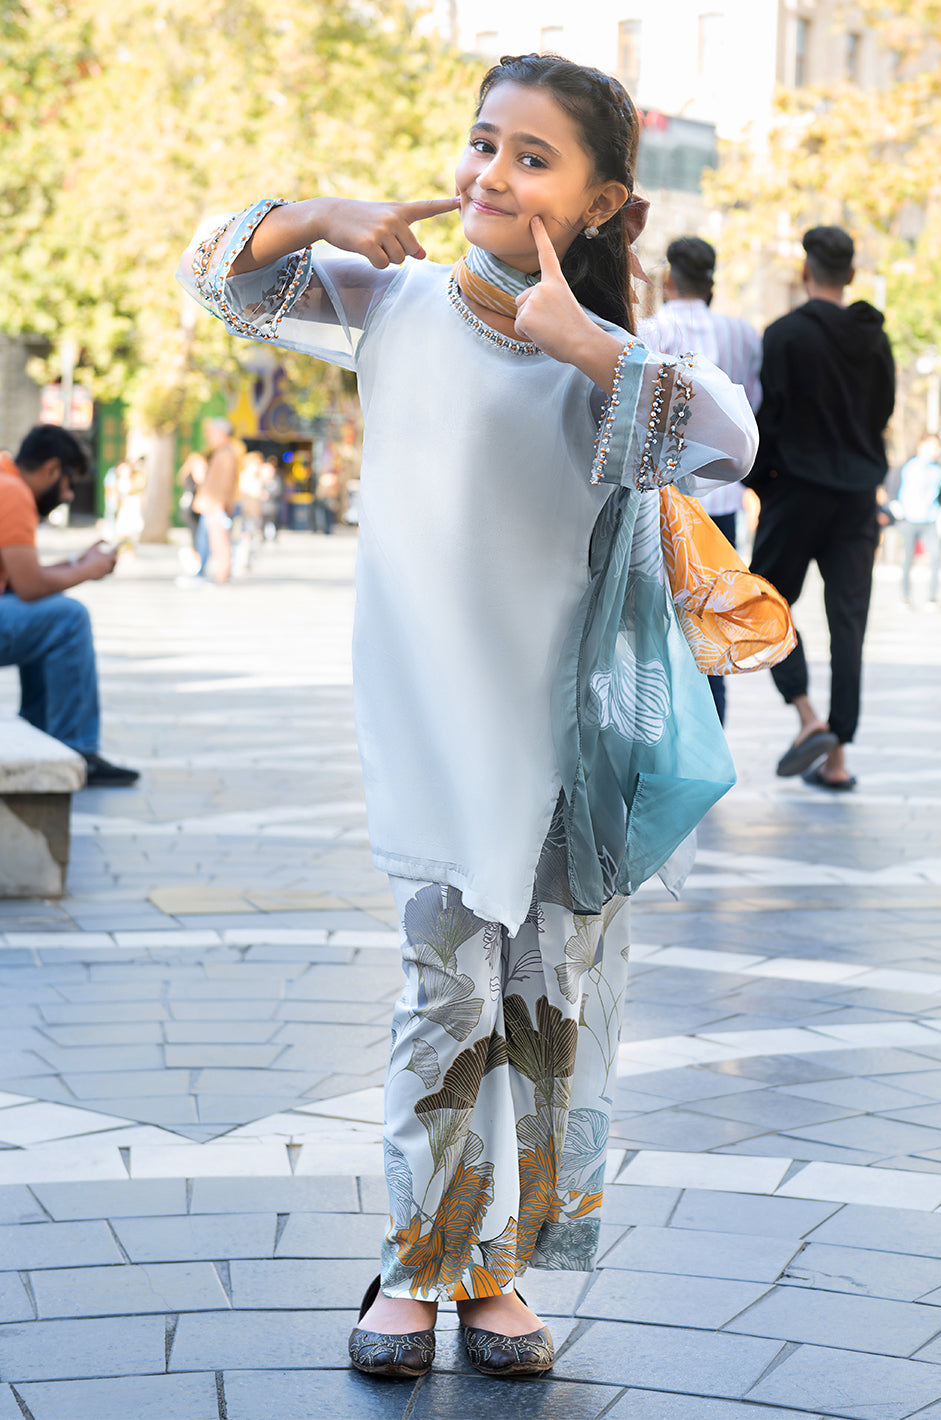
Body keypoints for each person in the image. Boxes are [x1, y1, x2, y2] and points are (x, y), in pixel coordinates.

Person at [180, 52, 755, 1381]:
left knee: (550, 1008)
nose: (491, 173)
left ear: (605, 201)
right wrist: (319, 215)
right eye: (483, 142)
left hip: (564, 745)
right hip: (434, 728)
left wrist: (584, 342)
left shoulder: (610, 362)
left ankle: (499, 1271)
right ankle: (416, 1263)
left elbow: (729, 446)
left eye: (532, 157)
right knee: (444, 998)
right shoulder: (393, 301)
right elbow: (216, 275)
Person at [747, 225, 895, 791]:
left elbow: (770, 416)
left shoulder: (785, 335)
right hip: (858, 496)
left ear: (805, 272)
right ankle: (837, 760)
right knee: (849, 623)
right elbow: (883, 410)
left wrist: (760, 481)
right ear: (851, 275)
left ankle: (807, 714)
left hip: (798, 490)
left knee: (765, 600)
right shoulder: (875, 339)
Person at [637, 235, 761, 724]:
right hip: (722, 505)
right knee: (709, 628)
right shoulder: (744, 335)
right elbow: (751, 406)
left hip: (663, 506)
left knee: (654, 629)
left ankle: (663, 733)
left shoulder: (649, 330)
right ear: (712, 281)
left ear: (669, 278)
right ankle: (712, 738)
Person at [0, 425, 139, 786]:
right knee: (68, 618)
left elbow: (19, 579)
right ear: (51, 469)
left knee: (51, 613)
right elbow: (30, 587)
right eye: (68, 482)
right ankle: (76, 750)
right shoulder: (12, 492)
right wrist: (87, 571)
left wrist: (77, 563)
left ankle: (40, 737)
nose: (68, 494)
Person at [890, 432, 941, 608]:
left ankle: (932, 598)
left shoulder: (938, 469)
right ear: (921, 446)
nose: (935, 450)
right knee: (907, 560)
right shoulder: (907, 466)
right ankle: (905, 597)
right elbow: (892, 488)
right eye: (931, 446)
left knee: (936, 557)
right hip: (908, 520)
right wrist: (897, 510)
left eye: (937, 447)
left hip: (930, 520)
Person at [192, 418, 238, 582]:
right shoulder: (222, 453)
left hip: (216, 505)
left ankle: (221, 574)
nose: (208, 436)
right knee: (210, 540)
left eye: (211, 433)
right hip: (212, 504)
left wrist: (220, 504)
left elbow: (225, 483)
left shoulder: (226, 454)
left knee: (219, 541)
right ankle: (212, 573)